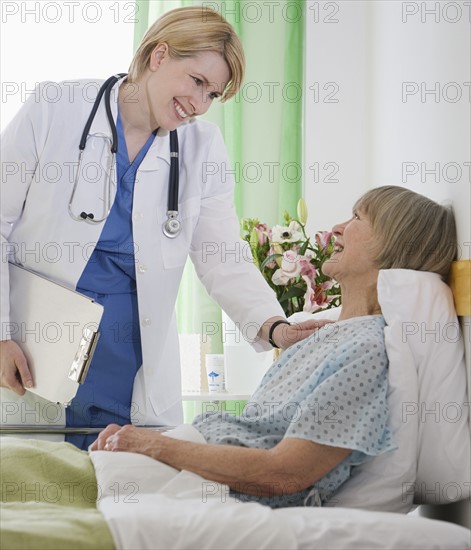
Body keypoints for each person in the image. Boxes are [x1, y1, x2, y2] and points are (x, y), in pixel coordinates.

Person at [0, 7, 320, 450]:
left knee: (119, 493)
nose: (201, 104)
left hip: (128, 358)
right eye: (197, 81)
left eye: (213, 93)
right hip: (35, 345)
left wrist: (272, 326)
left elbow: (221, 255)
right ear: (159, 55)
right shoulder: (56, 108)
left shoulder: (201, 148)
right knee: (34, 487)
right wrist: (1, 334)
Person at [91, 186, 458, 508]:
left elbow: (285, 474)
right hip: (185, 469)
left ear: (392, 243)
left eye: (357, 217)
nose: (336, 229)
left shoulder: (365, 351)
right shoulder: (324, 336)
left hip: (204, 489)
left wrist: (154, 446)